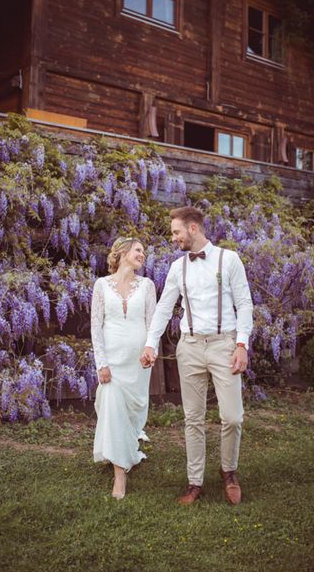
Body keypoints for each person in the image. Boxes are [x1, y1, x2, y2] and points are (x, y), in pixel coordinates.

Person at [141, 207, 253, 506]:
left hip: (223, 345)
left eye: (176, 231)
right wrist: (151, 344)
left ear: (193, 228)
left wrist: (241, 344)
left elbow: (244, 304)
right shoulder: (178, 267)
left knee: (232, 416)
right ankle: (194, 482)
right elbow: (165, 307)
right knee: (193, 419)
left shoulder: (229, 259)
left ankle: (228, 471)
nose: (173, 237)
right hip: (189, 347)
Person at [91, 236, 157, 499]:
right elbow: (96, 327)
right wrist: (102, 363)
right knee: (112, 402)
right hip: (113, 360)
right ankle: (120, 476)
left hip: (138, 362)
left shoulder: (148, 285)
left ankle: (123, 448)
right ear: (122, 252)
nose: (143, 254)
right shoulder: (101, 285)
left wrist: (150, 350)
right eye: (138, 250)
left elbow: (153, 325)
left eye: (144, 251)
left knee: (132, 413)